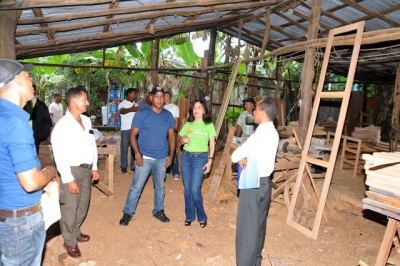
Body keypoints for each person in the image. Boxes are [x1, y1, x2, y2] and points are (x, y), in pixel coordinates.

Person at [0, 59, 57, 265]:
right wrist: (50, 171)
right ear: (16, 80)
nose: (31, 80)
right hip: (20, 222)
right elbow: (31, 182)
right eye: (27, 75)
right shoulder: (16, 122)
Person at [51, 87, 100, 258]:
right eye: (84, 99)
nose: (87, 102)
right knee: (70, 208)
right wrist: (68, 178)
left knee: (83, 204)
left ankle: (76, 230)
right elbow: (58, 154)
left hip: (86, 169)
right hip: (71, 170)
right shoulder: (62, 126)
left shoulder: (86, 121)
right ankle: (69, 241)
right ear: (73, 101)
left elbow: (91, 144)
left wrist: (94, 166)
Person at [231, 98, 279, 266]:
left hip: (252, 183)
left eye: (256, 110)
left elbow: (235, 155)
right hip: (265, 183)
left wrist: (241, 155)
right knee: (258, 224)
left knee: (247, 227)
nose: (253, 112)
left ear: (263, 113)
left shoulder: (260, 135)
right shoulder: (273, 132)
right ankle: (255, 260)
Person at [119, 86, 175, 226]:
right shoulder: (142, 113)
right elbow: (133, 134)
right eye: (157, 96)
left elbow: (172, 137)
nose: (159, 99)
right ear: (151, 97)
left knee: (160, 187)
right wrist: (137, 153)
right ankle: (128, 212)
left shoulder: (168, 115)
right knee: (136, 186)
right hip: (145, 157)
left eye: (162, 96)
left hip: (162, 157)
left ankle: (158, 210)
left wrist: (171, 156)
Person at [179, 99, 216, 228]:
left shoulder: (208, 125)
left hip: (200, 158)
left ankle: (202, 216)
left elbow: (212, 144)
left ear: (204, 110)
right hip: (185, 158)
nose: (196, 110)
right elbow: (180, 140)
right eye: (194, 107)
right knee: (187, 189)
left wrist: (210, 161)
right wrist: (183, 139)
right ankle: (189, 216)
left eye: (199, 107)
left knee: (195, 189)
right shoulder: (188, 124)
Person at [24, 84, 52, 154]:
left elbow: (47, 121)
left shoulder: (41, 105)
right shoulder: (21, 103)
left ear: (34, 90)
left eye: (29, 89)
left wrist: (41, 136)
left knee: (33, 157)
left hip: (35, 138)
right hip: (22, 138)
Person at [118, 88, 139, 174]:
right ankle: (123, 166)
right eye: (134, 94)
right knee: (124, 149)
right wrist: (132, 109)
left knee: (135, 148)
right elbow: (122, 111)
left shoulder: (136, 104)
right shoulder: (122, 104)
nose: (136, 96)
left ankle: (133, 166)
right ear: (129, 94)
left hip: (135, 129)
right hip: (125, 129)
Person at [163, 91, 181, 180]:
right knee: (165, 151)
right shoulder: (161, 107)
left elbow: (176, 120)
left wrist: (174, 131)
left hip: (170, 133)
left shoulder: (174, 107)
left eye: (162, 97)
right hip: (162, 133)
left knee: (172, 151)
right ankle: (167, 170)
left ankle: (176, 172)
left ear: (166, 97)